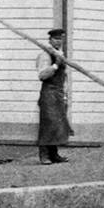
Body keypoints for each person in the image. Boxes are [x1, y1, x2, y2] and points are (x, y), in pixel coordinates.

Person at [36, 29, 72, 164]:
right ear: (50, 40)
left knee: (57, 124)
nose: (59, 41)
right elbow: (42, 75)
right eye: (56, 39)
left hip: (58, 92)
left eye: (60, 39)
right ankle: (44, 155)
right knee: (48, 123)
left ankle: (54, 154)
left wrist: (65, 93)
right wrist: (56, 65)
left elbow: (65, 76)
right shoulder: (45, 55)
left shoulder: (60, 54)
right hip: (48, 92)